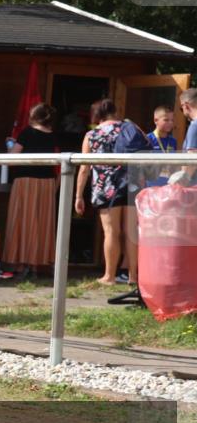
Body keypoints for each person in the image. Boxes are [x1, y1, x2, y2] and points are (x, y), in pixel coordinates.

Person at [74, 98, 136, 285]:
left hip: (106, 186)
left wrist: (78, 195)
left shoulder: (92, 135)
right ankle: (134, 276)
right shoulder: (129, 128)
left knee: (111, 232)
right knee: (132, 232)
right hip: (132, 183)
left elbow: (84, 167)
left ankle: (109, 276)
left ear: (97, 115)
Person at [2, 103, 59, 280]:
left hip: (26, 181)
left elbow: (12, 159)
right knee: (43, 223)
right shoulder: (54, 136)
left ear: (33, 116)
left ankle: (21, 263)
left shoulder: (27, 132)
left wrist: (9, 146)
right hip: (47, 182)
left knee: (22, 221)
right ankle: (37, 264)